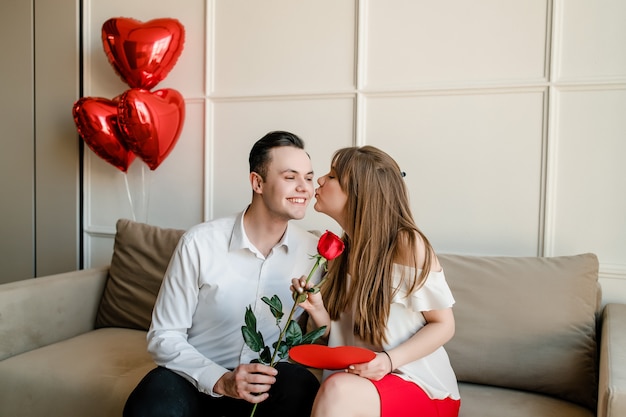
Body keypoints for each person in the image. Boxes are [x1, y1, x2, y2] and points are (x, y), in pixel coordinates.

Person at [124, 131, 322, 417]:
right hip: (196, 378)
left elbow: (319, 338)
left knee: (301, 387)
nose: (304, 187)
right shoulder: (200, 243)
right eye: (291, 177)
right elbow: (164, 335)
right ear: (258, 182)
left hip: (268, 385)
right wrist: (220, 380)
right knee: (150, 405)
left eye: (308, 177)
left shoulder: (313, 253)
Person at [291, 145, 461, 417]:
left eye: (332, 176)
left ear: (359, 192)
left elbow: (444, 325)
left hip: (416, 384)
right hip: (358, 382)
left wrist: (389, 362)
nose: (320, 180)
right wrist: (316, 308)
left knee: (338, 390)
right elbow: (337, 338)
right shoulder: (339, 251)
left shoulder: (407, 244)